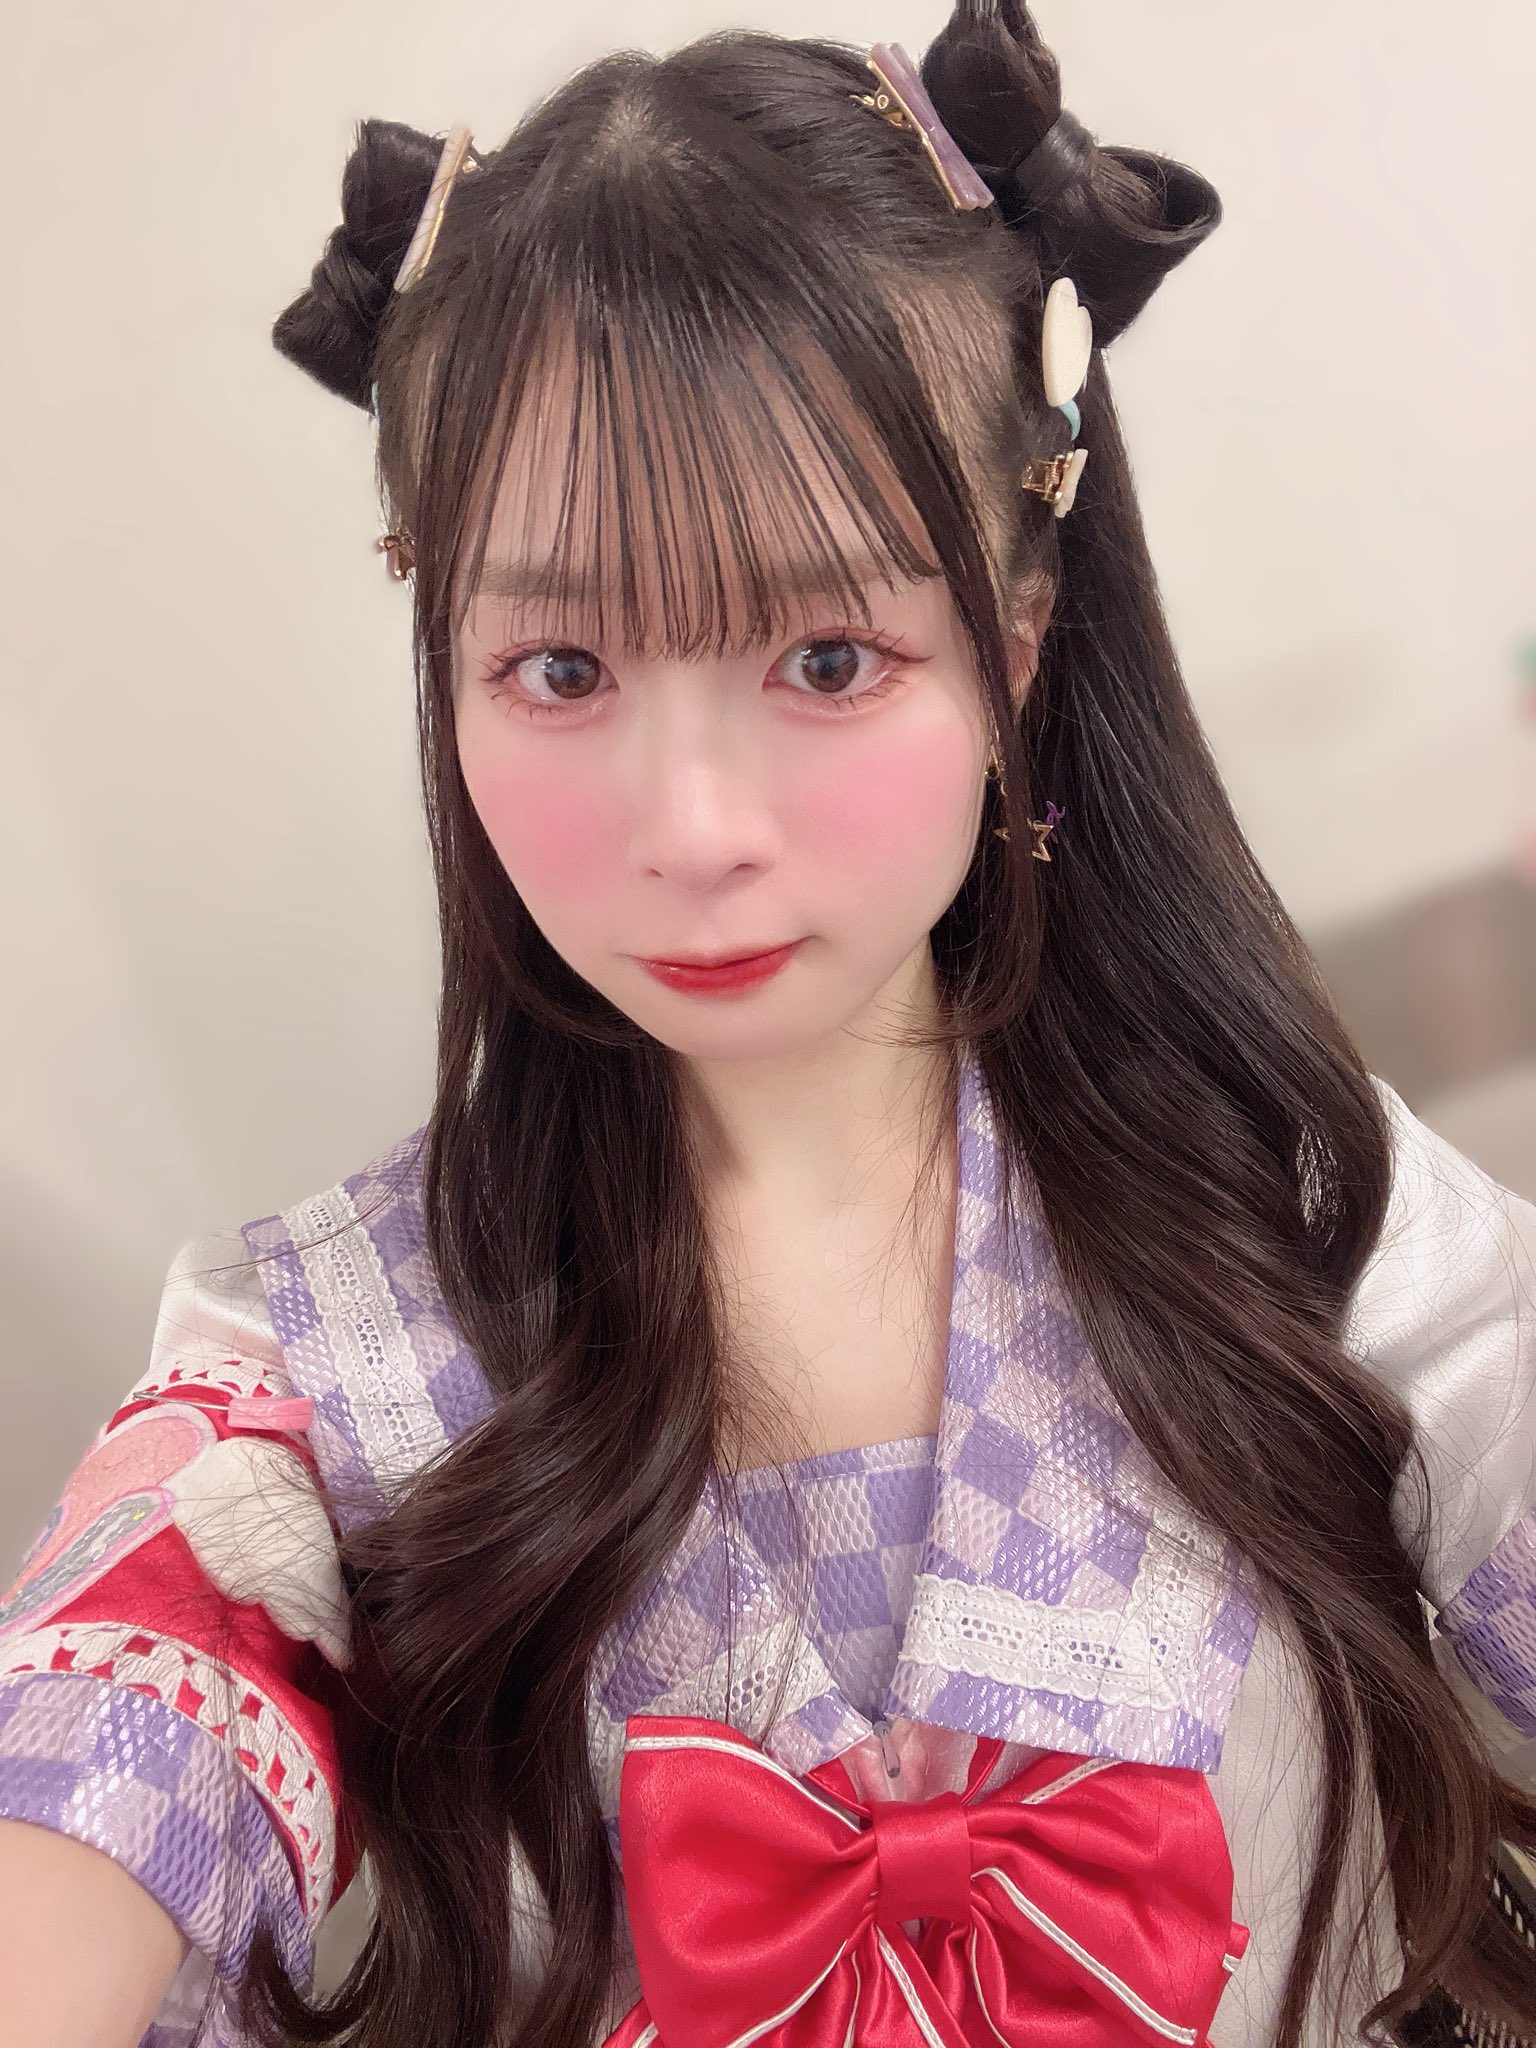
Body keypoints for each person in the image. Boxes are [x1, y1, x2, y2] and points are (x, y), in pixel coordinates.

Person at [2, 3, 1534, 2043]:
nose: (694, 829)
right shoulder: (339, 1355)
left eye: (826, 655)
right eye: (560, 670)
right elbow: (116, 1709)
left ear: (1013, 643)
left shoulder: (1305, 1215)